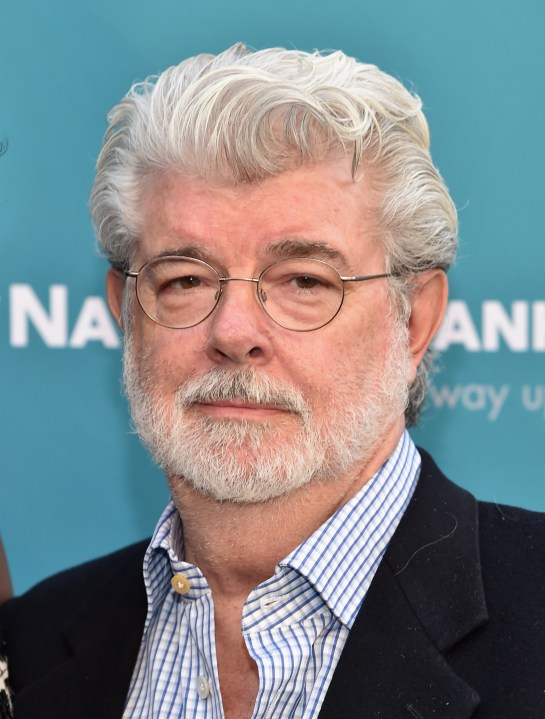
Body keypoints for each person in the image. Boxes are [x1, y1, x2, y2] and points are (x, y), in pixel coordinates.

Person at [1, 43, 544, 719]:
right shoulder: (29, 650)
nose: (233, 330)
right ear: (126, 313)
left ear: (413, 321)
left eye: (304, 281)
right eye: (185, 280)